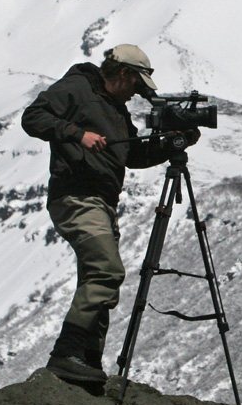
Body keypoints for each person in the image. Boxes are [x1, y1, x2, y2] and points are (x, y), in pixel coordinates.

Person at [21, 44, 190, 383]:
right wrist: (77, 134)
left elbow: (132, 156)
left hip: (102, 202)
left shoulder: (115, 109)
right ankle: (65, 355)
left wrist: (175, 142)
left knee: (99, 282)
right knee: (106, 271)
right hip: (77, 196)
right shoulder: (77, 87)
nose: (136, 93)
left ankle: (87, 362)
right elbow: (33, 118)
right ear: (124, 73)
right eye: (136, 84)